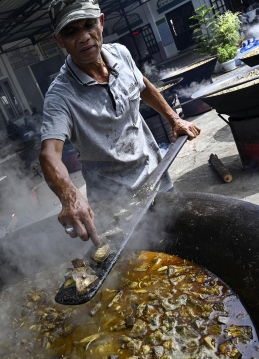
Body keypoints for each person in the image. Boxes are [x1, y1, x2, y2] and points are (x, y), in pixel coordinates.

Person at [40, 0, 200, 247]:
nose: (84, 37)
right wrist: (70, 197)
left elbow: (142, 84)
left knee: (181, 244)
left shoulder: (120, 54)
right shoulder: (59, 96)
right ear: (59, 40)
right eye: (71, 32)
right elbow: (49, 154)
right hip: (114, 204)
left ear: (101, 22)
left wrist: (174, 119)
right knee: (140, 265)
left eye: (89, 25)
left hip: (157, 177)